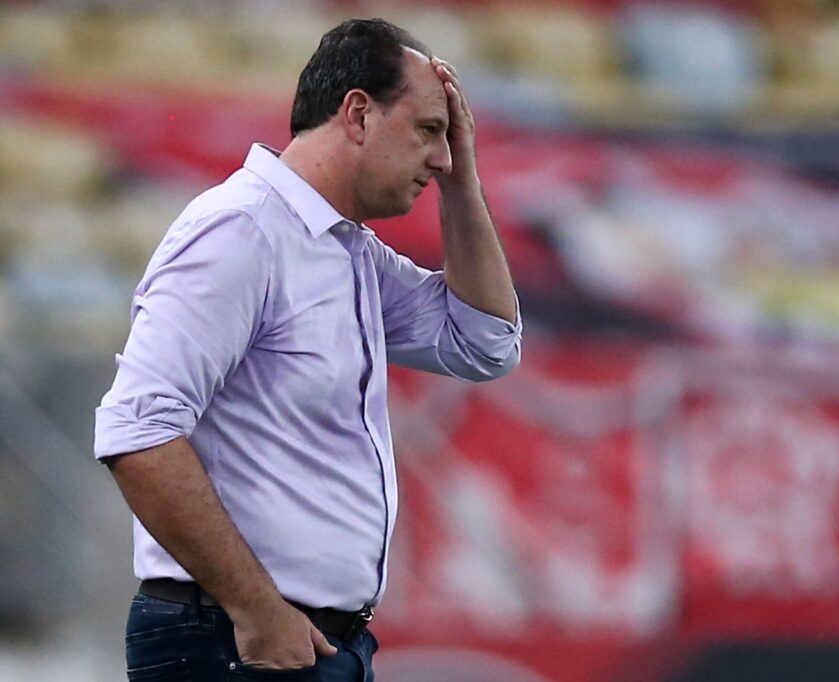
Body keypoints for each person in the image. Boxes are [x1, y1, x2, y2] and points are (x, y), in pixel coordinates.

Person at [93, 18, 521, 681]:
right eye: (429, 132)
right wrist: (257, 609)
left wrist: (463, 179)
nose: (440, 158)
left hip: (308, 639)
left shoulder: (345, 250)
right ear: (356, 113)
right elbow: (138, 431)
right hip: (236, 638)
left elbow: (485, 342)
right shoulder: (242, 230)